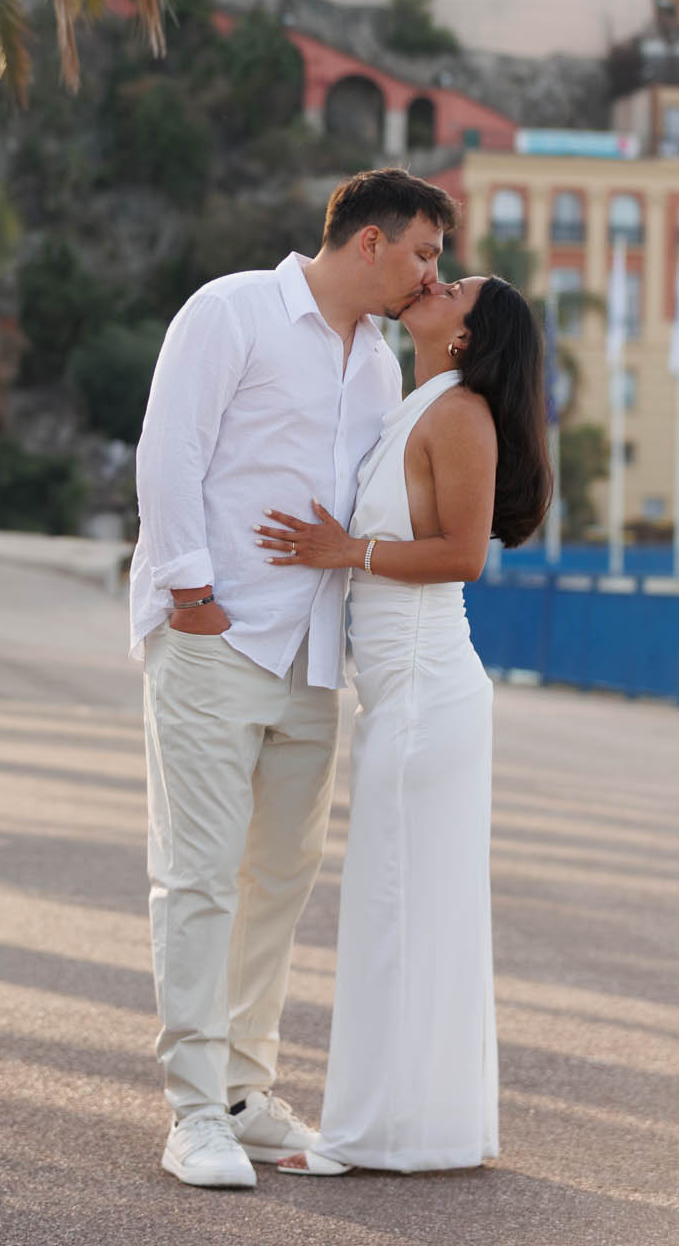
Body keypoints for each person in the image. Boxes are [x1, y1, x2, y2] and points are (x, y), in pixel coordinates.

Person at [131, 167, 458, 1190]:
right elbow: (169, 451)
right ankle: (192, 1111)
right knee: (197, 875)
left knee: (276, 880)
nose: (430, 273)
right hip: (217, 638)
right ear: (370, 241)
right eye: (423, 252)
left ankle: (242, 1091)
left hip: (314, 660)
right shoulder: (231, 310)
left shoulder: (378, 368)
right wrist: (191, 594)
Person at [256, 274, 551, 1178]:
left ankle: (369, 1135)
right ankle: (422, 1128)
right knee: (406, 909)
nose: (433, 280)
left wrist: (348, 550)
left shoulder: (460, 414)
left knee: (394, 908)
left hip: (426, 693)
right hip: (399, 693)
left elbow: (462, 556)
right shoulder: (416, 401)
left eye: (453, 286)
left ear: (465, 336)